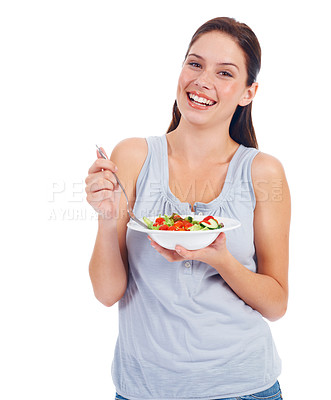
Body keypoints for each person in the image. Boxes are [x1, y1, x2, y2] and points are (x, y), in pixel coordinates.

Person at [85, 17, 290, 400]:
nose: (202, 80)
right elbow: (107, 292)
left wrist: (222, 259)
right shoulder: (132, 156)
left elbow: (276, 303)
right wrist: (106, 216)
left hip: (245, 388)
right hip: (143, 389)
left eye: (225, 72)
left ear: (249, 92)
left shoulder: (263, 172)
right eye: (195, 64)